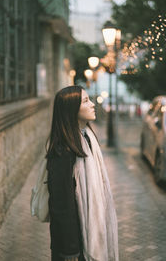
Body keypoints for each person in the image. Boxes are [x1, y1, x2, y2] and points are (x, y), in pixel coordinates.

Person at [46, 86, 119, 261]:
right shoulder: (62, 150)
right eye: (86, 101)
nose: (93, 104)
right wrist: (70, 250)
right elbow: (61, 204)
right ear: (71, 110)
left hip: (83, 234)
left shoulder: (87, 137)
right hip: (73, 243)